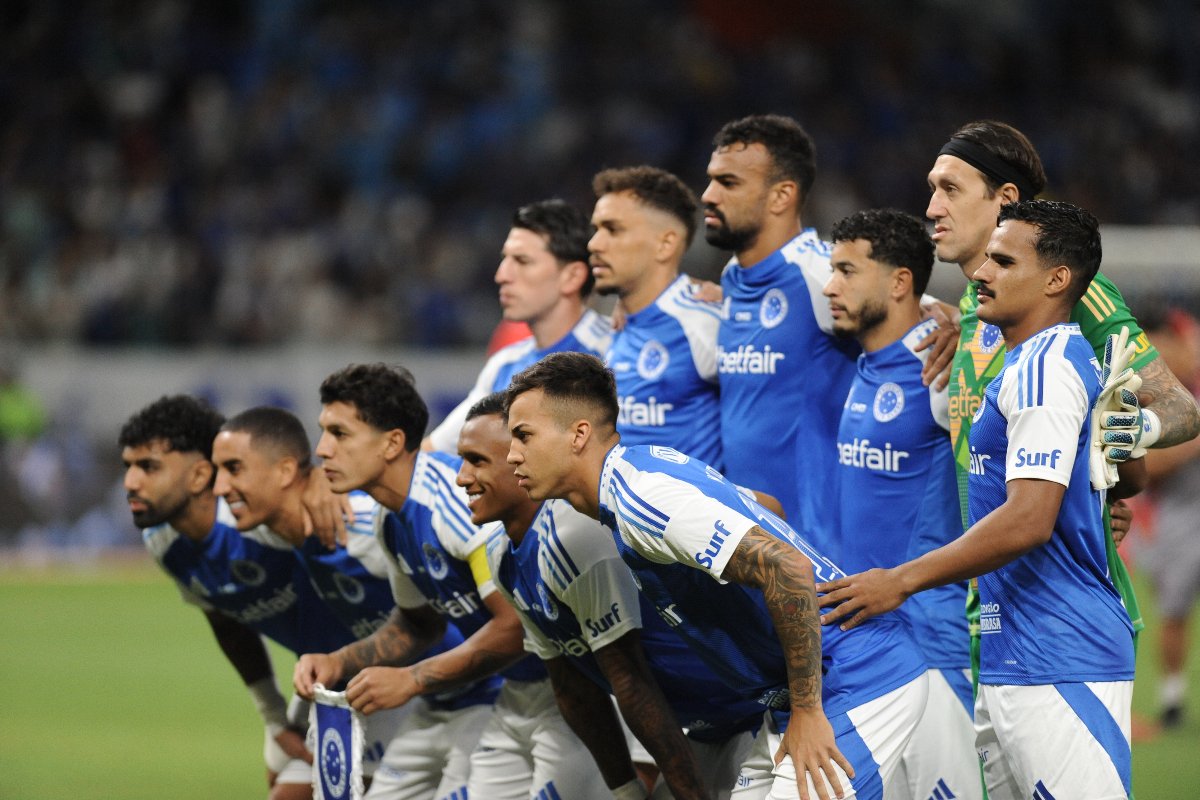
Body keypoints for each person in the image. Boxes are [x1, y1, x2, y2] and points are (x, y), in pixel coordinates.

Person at [819, 200, 1146, 799]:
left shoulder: (1045, 367)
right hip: (1014, 653)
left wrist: (900, 580)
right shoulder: (1026, 362)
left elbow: (1027, 521)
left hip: (1060, 654)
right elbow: (1123, 477)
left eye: (1002, 260)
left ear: (1056, 279)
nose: (980, 273)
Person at [504, 351, 929, 800]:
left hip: (854, 679)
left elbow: (787, 566)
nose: (512, 454)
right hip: (797, 697)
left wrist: (806, 709)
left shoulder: (641, 500)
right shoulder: (644, 470)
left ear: (579, 434)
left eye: (523, 435)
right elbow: (766, 508)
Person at [923, 119, 1200, 697]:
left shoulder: (1075, 292)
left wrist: (1102, 467)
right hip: (987, 612)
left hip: (1062, 625)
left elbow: (1178, 409)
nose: (932, 207)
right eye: (932, 188)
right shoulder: (976, 311)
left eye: (950, 189)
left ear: (1006, 200)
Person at [302, 362, 599, 800]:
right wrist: (340, 662)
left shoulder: (458, 506)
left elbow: (515, 626)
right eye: (324, 432)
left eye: (340, 434)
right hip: (513, 694)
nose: (323, 449)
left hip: (560, 687)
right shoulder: (392, 520)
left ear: (392, 444)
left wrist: (412, 680)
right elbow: (419, 624)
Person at [459, 392, 765, 799]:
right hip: (702, 730)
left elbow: (631, 679)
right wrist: (625, 790)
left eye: (477, 460)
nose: (461, 476)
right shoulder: (503, 557)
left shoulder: (578, 531)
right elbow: (573, 688)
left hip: (756, 715)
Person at [212, 406, 500, 798]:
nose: (219, 488)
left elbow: (484, 617)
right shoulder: (264, 533)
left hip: (477, 692)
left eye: (233, 468)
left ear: (283, 472)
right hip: (410, 697)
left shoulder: (366, 524)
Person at [120, 395, 350, 800]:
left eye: (148, 467)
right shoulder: (163, 542)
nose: (130, 483)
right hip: (319, 678)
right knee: (279, 775)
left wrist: (317, 479)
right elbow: (227, 622)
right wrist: (274, 717)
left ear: (198, 476)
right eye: (128, 467)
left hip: (376, 671)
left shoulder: (262, 520)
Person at [823, 209, 979, 800]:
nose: (830, 286)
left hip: (933, 644)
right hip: (866, 640)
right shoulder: (866, 364)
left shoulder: (943, 367)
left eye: (846, 271)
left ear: (898, 282)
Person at [424, 199, 611, 452]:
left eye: (522, 261)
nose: (502, 275)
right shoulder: (504, 365)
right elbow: (437, 451)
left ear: (572, 276)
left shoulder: (616, 353)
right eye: (505, 260)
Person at [590, 165, 724, 467]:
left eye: (613, 229)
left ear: (665, 244)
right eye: (596, 229)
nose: (594, 244)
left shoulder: (704, 323)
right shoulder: (616, 324)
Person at [1135, 304, 1200, 727]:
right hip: (1175, 516)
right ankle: (1172, 698)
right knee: (1173, 608)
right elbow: (1147, 470)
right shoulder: (1148, 398)